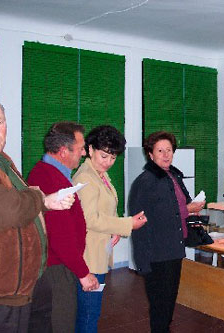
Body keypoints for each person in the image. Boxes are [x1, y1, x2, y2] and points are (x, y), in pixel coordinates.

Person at [0, 94, 74, 332]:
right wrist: (40, 197)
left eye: (0, 121)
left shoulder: (1, 160)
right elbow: (10, 210)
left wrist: (41, 201)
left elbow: (19, 201)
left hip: (29, 283)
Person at [128, 131, 205, 333]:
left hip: (173, 249)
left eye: (169, 150)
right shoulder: (145, 182)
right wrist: (141, 261)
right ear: (150, 154)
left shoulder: (173, 175)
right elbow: (140, 221)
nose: (165, 154)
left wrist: (192, 207)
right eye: (160, 151)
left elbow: (180, 205)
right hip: (156, 254)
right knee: (160, 307)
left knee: (169, 303)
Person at [72, 125, 148, 332]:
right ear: (90, 150)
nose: (108, 162)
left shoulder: (99, 174)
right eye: (104, 156)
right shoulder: (86, 177)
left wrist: (115, 226)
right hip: (89, 257)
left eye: (113, 158)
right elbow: (90, 219)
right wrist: (126, 224)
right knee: (88, 315)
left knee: (91, 313)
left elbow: (103, 210)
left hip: (97, 252)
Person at [27, 122, 100, 333]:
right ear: (63, 151)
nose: (84, 153)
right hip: (56, 269)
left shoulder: (52, 172)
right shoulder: (49, 177)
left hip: (60, 264)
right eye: (80, 149)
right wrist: (83, 273)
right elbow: (60, 236)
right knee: (61, 323)